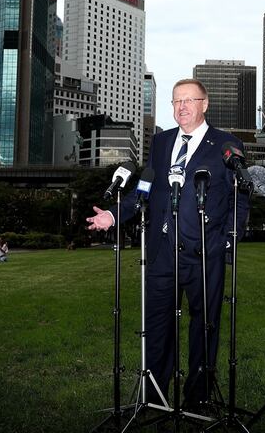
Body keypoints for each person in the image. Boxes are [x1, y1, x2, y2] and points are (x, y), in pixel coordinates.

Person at [86, 79, 250, 410]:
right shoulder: (160, 142)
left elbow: (240, 196)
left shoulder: (227, 144)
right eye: (177, 101)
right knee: (157, 325)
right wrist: (115, 216)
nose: (182, 106)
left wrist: (229, 239)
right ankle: (155, 397)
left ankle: (197, 398)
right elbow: (144, 190)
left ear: (205, 104)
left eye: (190, 100)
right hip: (161, 252)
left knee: (204, 327)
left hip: (205, 252)